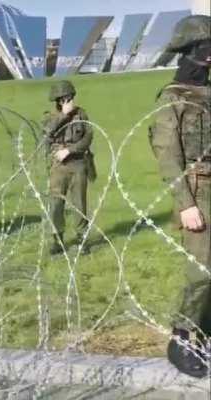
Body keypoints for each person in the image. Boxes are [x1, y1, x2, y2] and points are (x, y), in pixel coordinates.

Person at [149, 15, 211, 378]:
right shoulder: (173, 98)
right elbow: (168, 156)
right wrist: (186, 204)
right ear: (193, 51)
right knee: (201, 273)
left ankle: (204, 333)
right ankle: (181, 339)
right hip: (198, 191)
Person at [43, 80, 95, 255]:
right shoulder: (50, 117)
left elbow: (87, 138)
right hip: (59, 167)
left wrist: (70, 150)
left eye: (69, 97)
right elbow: (47, 135)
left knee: (80, 204)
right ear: (57, 100)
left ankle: (82, 238)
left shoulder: (82, 114)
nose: (67, 100)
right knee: (56, 204)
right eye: (63, 98)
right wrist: (63, 116)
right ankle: (57, 239)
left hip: (78, 164)